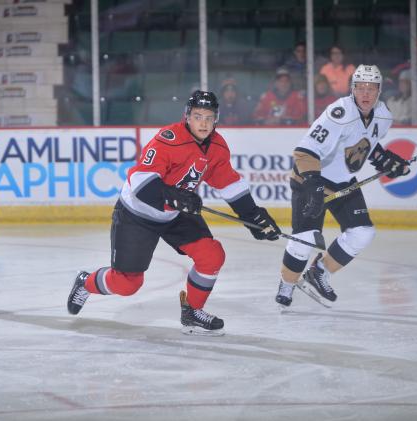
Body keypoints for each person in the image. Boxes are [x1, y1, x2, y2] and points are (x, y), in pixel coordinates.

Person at [66, 90, 282, 336]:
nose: (203, 123)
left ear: (216, 119)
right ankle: (86, 282)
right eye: (198, 116)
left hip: (176, 212)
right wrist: (174, 195)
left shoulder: (217, 147)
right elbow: (140, 184)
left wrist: (253, 215)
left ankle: (192, 311)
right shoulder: (168, 139)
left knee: (212, 255)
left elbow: (228, 182)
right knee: (128, 284)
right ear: (187, 116)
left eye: (209, 118)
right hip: (139, 213)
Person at [274, 64, 410, 308]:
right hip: (310, 179)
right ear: (352, 89)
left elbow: (366, 145)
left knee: (363, 232)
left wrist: (387, 161)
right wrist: (313, 184)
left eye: (371, 88)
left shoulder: (383, 115)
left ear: (379, 90)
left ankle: (320, 272)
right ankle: (287, 283)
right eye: (360, 87)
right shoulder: (339, 112)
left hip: (343, 183)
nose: (365, 93)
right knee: (305, 239)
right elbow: (305, 151)